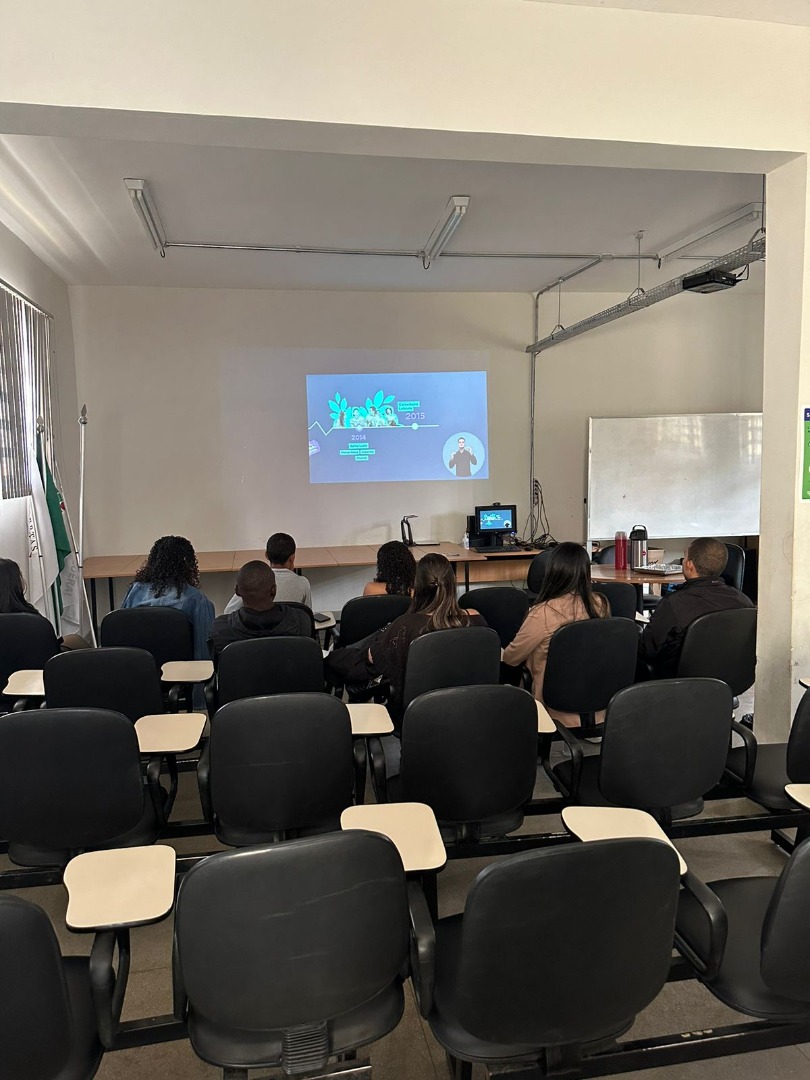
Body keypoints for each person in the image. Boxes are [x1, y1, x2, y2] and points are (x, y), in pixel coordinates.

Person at [369, 552, 486, 725]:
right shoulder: (476, 620)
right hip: (472, 715)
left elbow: (375, 657)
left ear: (417, 587)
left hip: (418, 718)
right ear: (453, 584)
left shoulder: (405, 625)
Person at [503, 542, 609, 727]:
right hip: (599, 708)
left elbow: (512, 658)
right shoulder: (599, 604)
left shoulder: (543, 612)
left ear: (552, 572)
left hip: (553, 710)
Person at [639, 536, 753, 679]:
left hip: (678, 684)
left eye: (684, 557)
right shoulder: (743, 602)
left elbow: (646, 650)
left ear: (689, 565)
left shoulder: (675, 604)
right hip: (730, 680)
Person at [121, 535, 214, 661]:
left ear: (153, 562)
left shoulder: (135, 591)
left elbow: (123, 632)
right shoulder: (196, 600)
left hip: (137, 670)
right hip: (180, 674)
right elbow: (203, 650)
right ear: (188, 563)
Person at [208, 561, 314, 664]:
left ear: (237, 591)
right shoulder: (301, 620)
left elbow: (218, 669)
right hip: (292, 681)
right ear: (274, 590)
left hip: (242, 682)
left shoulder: (220, 630)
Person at [0, 558, 89, 650]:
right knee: (76, 641)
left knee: (74, 640)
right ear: (16, 584)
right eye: (20, 575)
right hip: (42, 662)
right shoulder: (33, 622)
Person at [224, 532, 312, 614]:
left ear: (266, 555)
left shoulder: (255, 581)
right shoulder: (303, 583)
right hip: (292, 630)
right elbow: (308, 614)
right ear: (292, 558)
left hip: (258, 630)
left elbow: (228, 611)